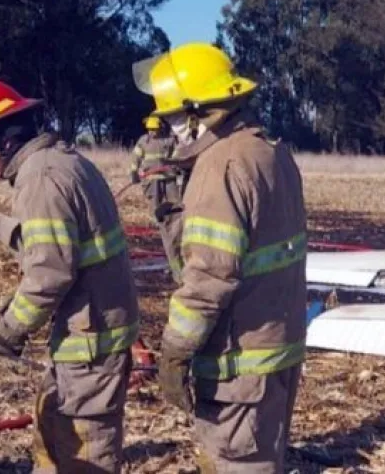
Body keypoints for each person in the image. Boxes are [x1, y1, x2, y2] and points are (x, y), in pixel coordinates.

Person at [131, 42, 308, 473]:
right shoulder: (271, 152)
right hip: (277, 354)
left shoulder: (220, 167)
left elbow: (209, 279)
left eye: (172, 118)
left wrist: (174, 352)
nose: (167, 130)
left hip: (239, 367)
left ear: (198, 114)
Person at [0, 79, 139, 473]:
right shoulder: (60, 162)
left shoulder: (41, 180)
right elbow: (57, 243)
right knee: (53, 434)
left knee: (84, 453)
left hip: (90, 343)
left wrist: (7, 329)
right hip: (89, 333)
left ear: (3, 141)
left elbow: (49, 272)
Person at [130, 115, 184, 282]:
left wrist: (175, 168)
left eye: (155, 129)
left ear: (160, 127)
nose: (153, 133)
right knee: (162, 220)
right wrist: (133, 172)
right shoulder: (143, 141)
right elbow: (135, 158)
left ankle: (179, 266)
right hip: (152, 183)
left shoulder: (169, 140)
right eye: (150, 130)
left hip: (169, 182)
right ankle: (177, 269)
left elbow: (177, 157)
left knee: (177, 214)